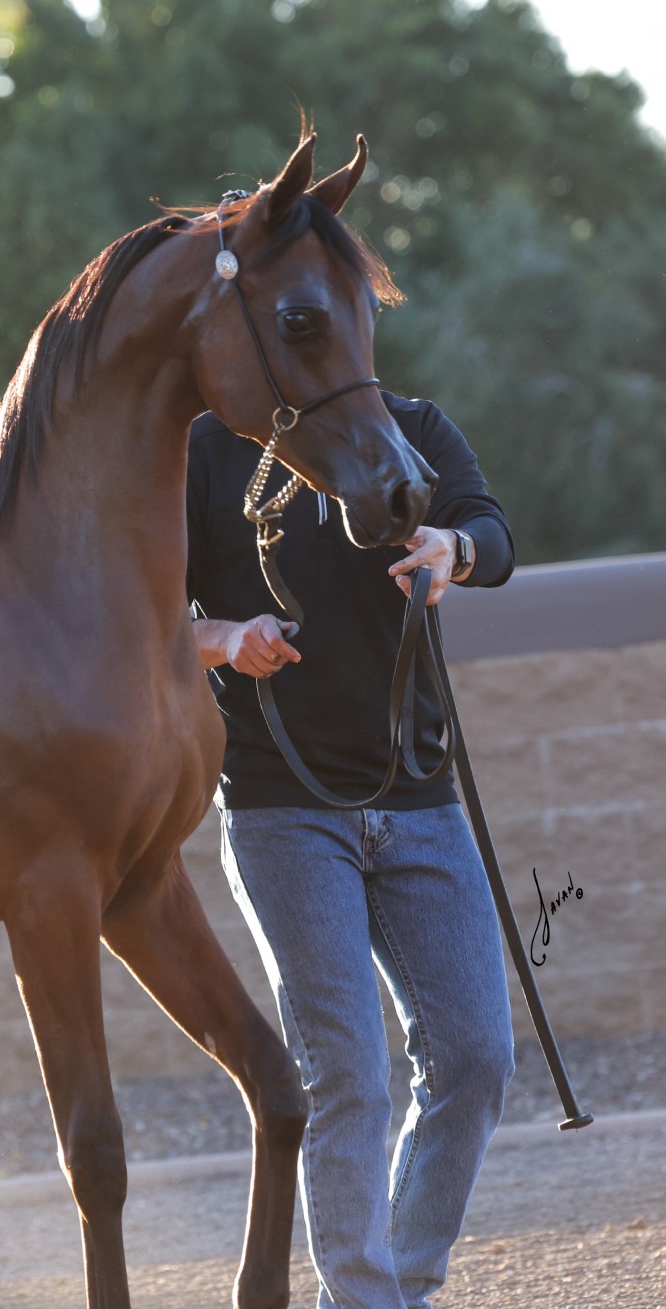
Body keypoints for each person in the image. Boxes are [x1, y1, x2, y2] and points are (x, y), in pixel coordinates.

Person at [185, 391, 516, 1309]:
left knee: (476, 1058)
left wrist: (454, 549)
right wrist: (225, 638)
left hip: (420, 796)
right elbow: (140, 615)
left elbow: (492, 536)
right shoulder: (208, 452)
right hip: (280, 809)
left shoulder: (416, 428)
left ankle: (396, 1288)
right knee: (349, 1077)